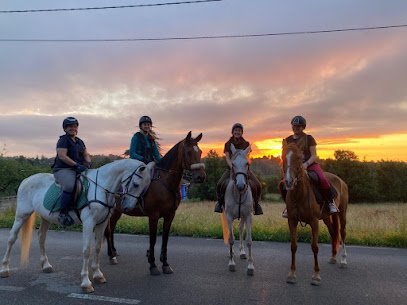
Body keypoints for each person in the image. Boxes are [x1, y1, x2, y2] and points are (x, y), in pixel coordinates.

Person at [280, 115, 339, 218]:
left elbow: (313, 155)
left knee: (322, 179)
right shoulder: (288, 140)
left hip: (310, 165)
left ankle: (330, 203)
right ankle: (288, 207)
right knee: (284, 183)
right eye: (294, 126)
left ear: (303, 127)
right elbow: (284, 155)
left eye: (299, 126)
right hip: (294, 167)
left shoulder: (309, 138)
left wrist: (305, 164)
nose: (296, 128)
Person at [214, 123, 263, 215]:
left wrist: (245, 165)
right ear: (232, 132)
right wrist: (232, 167)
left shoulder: (246, 144)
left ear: (242, 132)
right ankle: (220, 204)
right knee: (220, 184)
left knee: (258, 185)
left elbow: (248, 157)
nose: (237, 132)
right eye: (235, 130)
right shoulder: (228, 144)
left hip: (244, 170)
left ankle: (256, 205)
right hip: (231, 169)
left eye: (239, 131)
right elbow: (227, 157)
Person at [52, 117, 91, 226]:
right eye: (70, 126)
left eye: (74, 126)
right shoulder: (63, 140)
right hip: (63, 169)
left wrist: (88, 163)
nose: (73, 128)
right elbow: (62, 156)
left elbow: (86, 154)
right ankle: (63, 212)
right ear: (65, 128)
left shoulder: (79, 141)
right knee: (70, 185)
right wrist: (76, 165)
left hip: (78, 168)